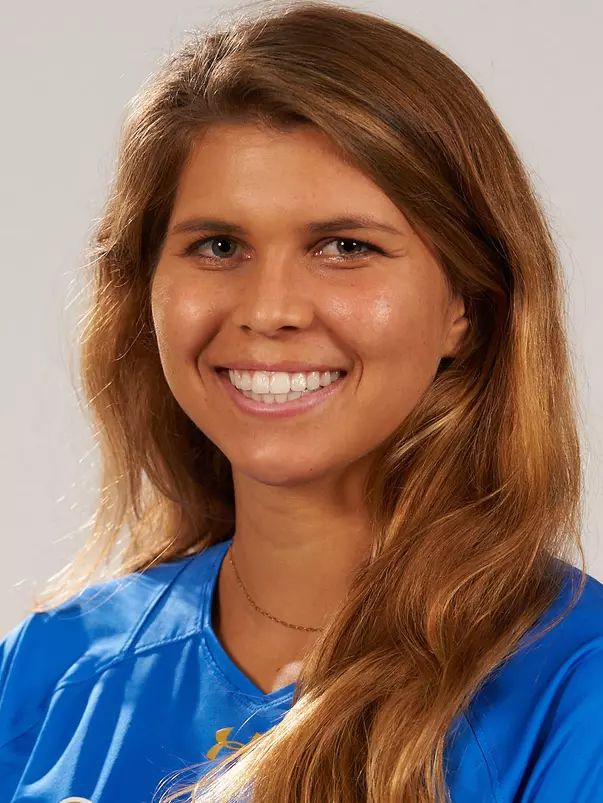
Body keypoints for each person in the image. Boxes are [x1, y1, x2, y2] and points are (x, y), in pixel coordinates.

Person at [1, 1, 602, 802]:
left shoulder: (576, 687)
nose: (269, 309)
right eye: (219, 245)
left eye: (345, 247)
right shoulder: (46, 673)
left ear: (466, 302)